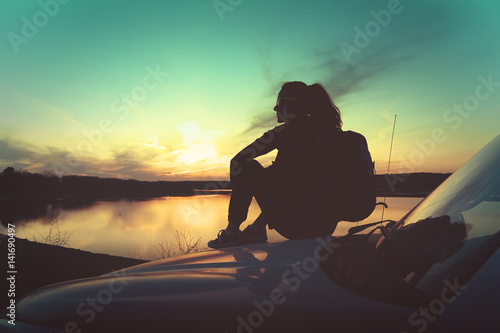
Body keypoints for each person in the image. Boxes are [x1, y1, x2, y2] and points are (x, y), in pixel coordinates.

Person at [208, 81, 344, 249]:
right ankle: (257, 228)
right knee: (279, 174)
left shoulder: (284, 133)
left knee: (245, 166)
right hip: (324, 227)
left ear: (295, 106)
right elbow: (291, 183)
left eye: (280, 103)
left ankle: (231, 233)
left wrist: (245, 188)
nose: (275, 108)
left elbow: (238, 160)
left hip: (295, 226)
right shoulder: (330, 134)